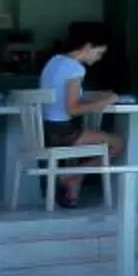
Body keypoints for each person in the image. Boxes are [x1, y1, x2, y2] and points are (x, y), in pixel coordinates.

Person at [37, 23, 119, 207]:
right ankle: (71, 176)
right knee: (117, 143)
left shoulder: (55, 61)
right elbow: (72, 109)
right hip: (62, 133)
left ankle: (73, 181)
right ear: (88, 46)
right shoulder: (76, 69)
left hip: (45, 130)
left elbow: (62, 95)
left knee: (97, 136)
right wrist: (103, 102)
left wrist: (100, 95)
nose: (99, 58)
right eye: (99, 53)